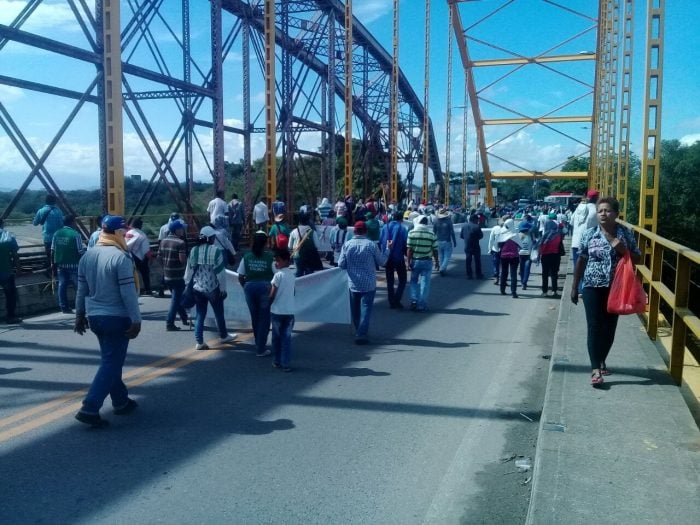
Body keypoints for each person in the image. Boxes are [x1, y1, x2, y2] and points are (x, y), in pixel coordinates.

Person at [73, 215, 141, 428]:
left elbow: (81, 290)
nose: (126, 234)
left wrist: (79, 315)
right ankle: (90, 407)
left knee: (111, 360)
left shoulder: (87, 256)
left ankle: (121, 401)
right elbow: (128, 293)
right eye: (124, 231)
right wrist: (136, 319)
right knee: (112, 362)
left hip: (95, 317)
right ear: (117, 232)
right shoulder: (121, 258)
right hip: (116, 317)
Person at [570, 197, 641, 387]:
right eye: (600, 210)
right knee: (594, 326)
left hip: (617, 287)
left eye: (607, 210)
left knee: (609, 327)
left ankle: (601, 359)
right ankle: (595, 369)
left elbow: (639, 259)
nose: (603, 214)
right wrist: (575, 286)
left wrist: (619, 246)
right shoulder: (589, 233)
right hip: (592, 285)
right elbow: (581, 260)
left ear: (616, 214)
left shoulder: (625, 233)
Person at [184, 226, 237, 350]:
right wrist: (223, 289)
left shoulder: (194, 250)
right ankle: (223, 335)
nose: (214, 239)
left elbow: (189, 270)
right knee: (219, 313)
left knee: (200, 314)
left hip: (197, 288)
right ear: (209, 238)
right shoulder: (215, 250)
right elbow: (220, 273)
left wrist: (187, 284)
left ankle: (199, 341)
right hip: (213, 288)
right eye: (213, 237)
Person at [337, 221, 388, 344]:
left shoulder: (347, 245)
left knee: (355, 309)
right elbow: (382, 262)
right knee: (366, 308)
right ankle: (361, 332)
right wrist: (388, 250)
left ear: (354, 231)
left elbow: (341, 264)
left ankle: (359, 330)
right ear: (366, 231)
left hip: (353, 283)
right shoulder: (371, 245)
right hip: (369, 283)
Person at [237, 231, 275, 357]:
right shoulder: (270, 257)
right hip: (265, 288)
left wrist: (246, 287)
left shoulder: (246, 256)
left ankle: (258, 342)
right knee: (264, 318)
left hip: (250, 287)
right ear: (265, 243)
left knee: (255, 317)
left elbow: (240, 276)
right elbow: (278, 275)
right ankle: (260, 347)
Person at [159, 218, 189, 331]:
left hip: (167, 275)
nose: (183, 231)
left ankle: (184, 318)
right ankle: (169, 323)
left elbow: (159, 258)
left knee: (177, 298)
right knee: (176, 300)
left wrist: (166, 267)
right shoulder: (181, 243)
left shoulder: (163, 241)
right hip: (178, 276)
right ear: (176, 230)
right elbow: (182, 259)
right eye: (182, 229)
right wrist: (187, 261)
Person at [51, 214, 85, 314]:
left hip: (60, 264)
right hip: (74, 265)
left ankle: (64, 307)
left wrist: (53, 264)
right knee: (79, 287)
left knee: (62, 285)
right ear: (72, 222)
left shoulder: (56, 233)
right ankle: (80, 307)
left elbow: (52, 250)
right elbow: (80, 251)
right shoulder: (76, 234)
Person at [269, 248, 295, 372]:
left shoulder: (277, 275)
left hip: (277, 311)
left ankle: (276, 360)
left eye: (278, 260)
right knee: (286, 338)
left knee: (276, 337)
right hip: (289, 311)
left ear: (285, 261)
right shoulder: (292, 275)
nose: (276, 263)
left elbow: (272, 294)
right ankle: (286, 363)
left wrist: (267, 304)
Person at [407, 215, 439, 312]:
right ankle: (422, 305)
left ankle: (414, 300)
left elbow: (409, 249)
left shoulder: (412, 233)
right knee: (425, 284)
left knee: (413, 281)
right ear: (427, 223)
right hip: (427, 261)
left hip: (415, 261)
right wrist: (437, 261)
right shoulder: (432, 234)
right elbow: (435, 250)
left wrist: (408, 262)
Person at [570, 190, 600, 294]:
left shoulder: (579, 208)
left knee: (577, 266)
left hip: (575, 242)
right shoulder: (596, 211)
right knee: (587, 267)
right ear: (596, 198)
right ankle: (584, 289)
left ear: (587, 197)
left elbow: (571, 221)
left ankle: (578, 289)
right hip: (588, 243)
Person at [380, 211, 408, 309]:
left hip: (387, 257)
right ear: (401, 219)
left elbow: (380, 241)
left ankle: (391, 301)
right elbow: (405, 244)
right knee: (403, 280)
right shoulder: (403, 228)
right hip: (398, 257)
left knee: (390, 281)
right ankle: (396, 299)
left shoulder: (384, 227)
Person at [33, 193, 64, 275]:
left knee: (49, 255)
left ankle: (50, 272)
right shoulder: (58, 211)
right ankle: (56, 271)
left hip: (47, 238)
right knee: (57, 255)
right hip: (58, 238)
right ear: (54, 201)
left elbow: (35, 223)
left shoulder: (41, 211)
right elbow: (62, 224)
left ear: (46, 201)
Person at [0, 218, 22, 324]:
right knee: (10, 295)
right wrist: (18, 269)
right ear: (2, 224)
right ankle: (11, 317)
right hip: (6, 271)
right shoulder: (9, 236)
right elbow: (15, 255)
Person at [288, 212, 323, 277]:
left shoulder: (294, 231)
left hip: (297, 256)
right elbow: (318, 246)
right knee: (309, 275)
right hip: (310, 256)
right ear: (308, 221)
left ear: (299, 222)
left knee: (298, 273)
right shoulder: (312, 232)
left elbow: (289, 246)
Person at [538, 213, 564, 297]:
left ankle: (544, 291)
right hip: (555, 256)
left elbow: (539, 247)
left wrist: (538, 256)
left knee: (544, 274)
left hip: (545, 256)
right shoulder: (558, 235)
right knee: (554, 274)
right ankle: (554, 291)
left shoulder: (544, 236)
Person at [125, 217, 152, 295]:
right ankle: (148, 290)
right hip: (141, 257)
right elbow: (146, 249)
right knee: (145, 274)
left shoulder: (128, 233)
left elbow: (126, 245)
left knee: (131, 274)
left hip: (130, 256)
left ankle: (134, 290)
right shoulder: (142, 234)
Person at [497, 218, 521, 298]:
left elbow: (499, 245)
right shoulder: (515, 234)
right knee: (513, 274)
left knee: (504, 273)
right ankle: (513, 292)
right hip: (514, 256)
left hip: (504, 256)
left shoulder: (502, 233)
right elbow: (519, 245)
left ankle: (502, 290)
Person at [434, 208, 457, 276]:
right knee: (447, 256)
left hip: (438, 241)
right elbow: (452, 232)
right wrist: (454, 241)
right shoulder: (448, 221)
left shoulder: (436, 221)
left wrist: (433, 241)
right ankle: (442, 268)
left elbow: (433, 232)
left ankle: (443, 269)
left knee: (441, 256)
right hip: (447, 241)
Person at [460, 213, 484, 279]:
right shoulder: (477, 226)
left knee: (468, 260)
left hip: (467, 245)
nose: (478, 221)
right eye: (477, 220)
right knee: (477, 260)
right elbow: (481, 236)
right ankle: (478, 274)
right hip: (475, 245)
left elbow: (461, 236)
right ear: (474, 219)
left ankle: (469, 275)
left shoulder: (464, 226)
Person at [487, 218, 504, 284]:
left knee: (496, 264)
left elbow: (491, 239)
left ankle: (496, 277)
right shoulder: (506, 229)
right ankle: (503, 278)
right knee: (503, 264)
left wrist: (489, 249)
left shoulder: (495, 228)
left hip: (495, 249)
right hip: (503, 249)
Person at [518, 223, 534, 290]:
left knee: (521, 268)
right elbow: (534, 243)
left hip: (520, 254)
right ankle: (524, 283)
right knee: (527, 269)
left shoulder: (518, 235)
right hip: (529, 254)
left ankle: (522, 282)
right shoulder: (531, 234)